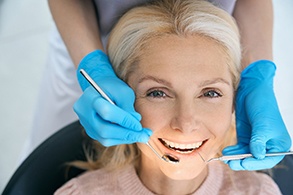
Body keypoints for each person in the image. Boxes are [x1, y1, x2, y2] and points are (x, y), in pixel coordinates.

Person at [23, 0, 291, 171]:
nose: (185, 124)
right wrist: (91, 64)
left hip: (213, 35)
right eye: (157, 93)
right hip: (89, 34)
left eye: (210, 92)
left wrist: (258, 75)